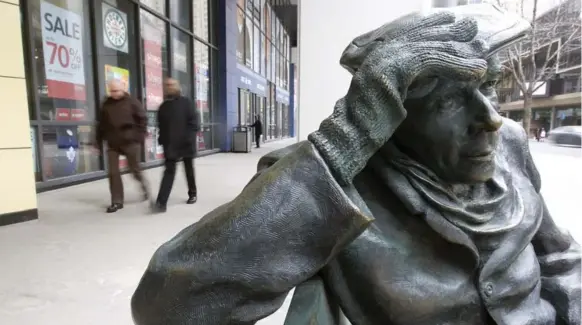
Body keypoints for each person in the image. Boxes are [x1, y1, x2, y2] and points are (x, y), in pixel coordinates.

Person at [131, 4, 581, 325]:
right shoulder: (323, 180)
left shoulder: (510, 146)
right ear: (394, 112)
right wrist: (345, 142)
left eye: (491, 88)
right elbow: (167, 309)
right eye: (448, 100)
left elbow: (561, 257)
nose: (490, 119)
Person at [96, 79, 150, 213]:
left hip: (130, 142)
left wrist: (139, 137)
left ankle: (144, 186)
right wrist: (97, 142)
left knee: (134, 169)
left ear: (123, 89)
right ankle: (117, 201)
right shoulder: (106, 104)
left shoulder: (132, 102)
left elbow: (143, 119)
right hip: (113, 143)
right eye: (111, 91)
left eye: (116, 90)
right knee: (113, 172)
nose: (114, 93)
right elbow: (101, 125)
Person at [151, 78, 199, 213]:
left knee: (188, 170)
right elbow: (161, 126)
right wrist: (162, 140)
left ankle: (192, 193)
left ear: (177, 87)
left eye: (172, 85)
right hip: (171, 145)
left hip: (185, 143)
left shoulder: (186, 103)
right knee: (169, 172)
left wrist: (189, 138)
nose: (169, 87)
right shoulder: (163, 107)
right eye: (167, 85)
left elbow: (194, 122)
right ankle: (161, 202)